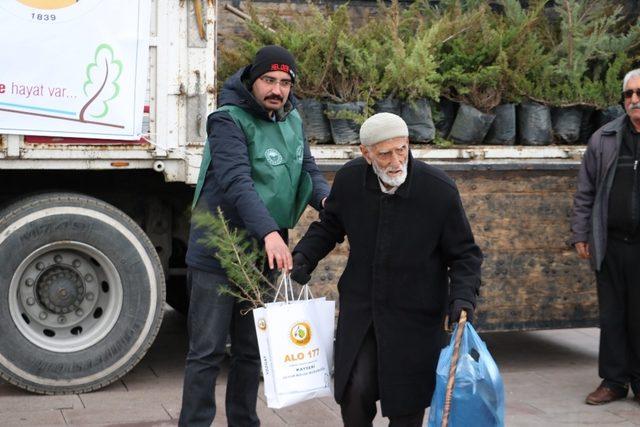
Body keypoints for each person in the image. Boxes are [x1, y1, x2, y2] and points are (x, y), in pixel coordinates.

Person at [290, 112, 483, 426]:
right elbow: (330, 225)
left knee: (406, 407)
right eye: (385, 153)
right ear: (366, 154)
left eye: (402, 149)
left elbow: (464, 255)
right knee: (354, 392)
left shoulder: (438, 191)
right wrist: (304, 256)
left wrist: (462, 300)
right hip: (363, 310)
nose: (396, 161)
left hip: (414, 317)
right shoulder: (351, 180)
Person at [180, 45, 330, 427]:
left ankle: (244, 422)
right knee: (207, 352)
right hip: (219, 249)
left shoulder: (292, 120)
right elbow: (236, 181)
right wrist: (270, 233)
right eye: (268, 80)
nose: (276, 89)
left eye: (284, 82)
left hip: (262, 255)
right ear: (252, 79)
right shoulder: (227, 120)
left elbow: (306, 169)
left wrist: (330, 202)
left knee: (250, 351)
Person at [570, 68, 640, 406]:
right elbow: (585, 192)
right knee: (612, 314)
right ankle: (613, 382)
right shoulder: (605, 138)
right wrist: (580, 233)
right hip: (610, 243)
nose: (634, 100)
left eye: (639, 93)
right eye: (628, 95)